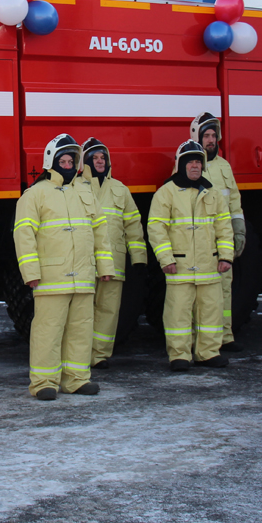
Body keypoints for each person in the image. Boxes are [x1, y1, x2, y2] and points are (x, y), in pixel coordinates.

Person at [13, 134, 115, 399]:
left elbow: (100, 232)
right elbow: (23, 235)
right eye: (63, 160)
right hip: (51, 277)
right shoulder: (35, 194)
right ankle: (44, 383)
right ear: (51, 161)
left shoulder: (85, 192)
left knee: (81, 330)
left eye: (72, 160)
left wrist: (104, 266)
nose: (68, 164)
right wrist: (31, 273)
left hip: (82, 276)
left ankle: (77, 379)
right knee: (48, 331)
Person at [147, 140, 234, 371]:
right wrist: (166, 259)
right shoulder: (166, 193)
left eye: (198, 162)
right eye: (190, 162)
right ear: (181, 165)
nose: (195, 166)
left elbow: (224, 227)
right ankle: (179, 356)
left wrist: (226, 257)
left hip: (210, 265)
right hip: (180, 266)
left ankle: (208, 353)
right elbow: (156, 228)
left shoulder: (213, 194)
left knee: (211, 313)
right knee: (178, 314)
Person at [81, 137, 147, 369]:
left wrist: (138, 258)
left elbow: (133, 225)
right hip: (85, 262)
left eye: (103, 158)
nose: (100, 162)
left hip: (115, 261)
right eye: (94, 158)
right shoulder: (76, 187)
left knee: (108, 310)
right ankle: (79, 355)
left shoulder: (120, 189)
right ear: (85, 161)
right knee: (83, 310)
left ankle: (99, 356)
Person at [190, 113, 247, 352]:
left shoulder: (224, 166)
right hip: (200, 241)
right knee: (199, 293)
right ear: (197, 137)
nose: (211, 140)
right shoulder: (188, 164)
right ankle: (198, 341)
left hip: (222, 239)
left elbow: (234, 201)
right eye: (206, 136)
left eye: (214, 135)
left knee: (224, 287)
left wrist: (239, 230)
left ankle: (225, 336)